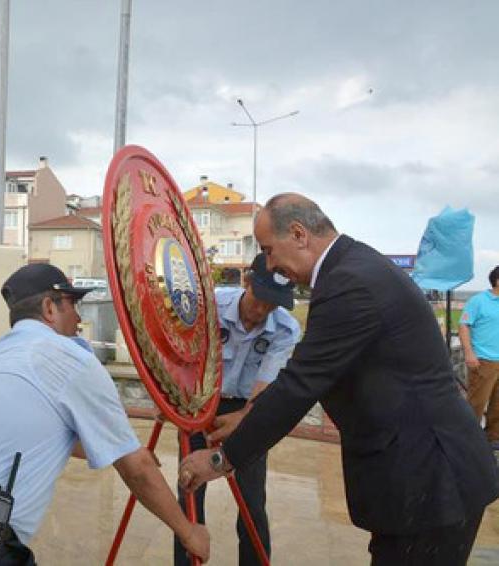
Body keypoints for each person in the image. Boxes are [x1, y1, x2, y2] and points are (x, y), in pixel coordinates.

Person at [180, 193, 499, 566]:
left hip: (431, 480)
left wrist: (222, 460)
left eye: (269, 251)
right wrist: (248, 418)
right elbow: (312, 373)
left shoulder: (351, 283)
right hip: (423, 476)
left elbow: (301, 384)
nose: (270, 265)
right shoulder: (352, 268)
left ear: (299, 234)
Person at [0, 263, 210, 565]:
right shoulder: (70, 357)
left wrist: (118, 446)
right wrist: (188, 531)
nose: (80, 318)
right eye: (73, 306)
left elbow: (47, 433)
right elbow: (137, 471)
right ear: (50, 308)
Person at [174, 253, 300, 566]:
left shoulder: (285, 329)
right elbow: (182, 356)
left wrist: (244, 419)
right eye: (259, 298)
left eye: (273, 303)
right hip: (200, 401)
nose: (262, 310)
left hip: (250, 407)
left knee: (251, 498)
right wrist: (174, 399)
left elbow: (266, 384)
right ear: (247, 282)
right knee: (190, 488)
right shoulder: (208, 308)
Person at [460, 265, 499, 449]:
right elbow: (464, 325)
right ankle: (468, 440)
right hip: (483, 361)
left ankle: (493, 437)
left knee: (498, 405)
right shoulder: (478, 301)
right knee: (477, 402)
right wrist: (469, 352)